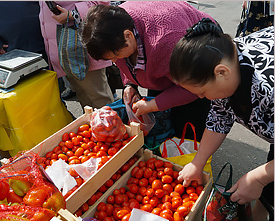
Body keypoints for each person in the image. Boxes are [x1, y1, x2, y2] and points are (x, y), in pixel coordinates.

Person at [170, 19, 274, 221]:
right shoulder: (227, 60)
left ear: (221, 72)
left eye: (202, 92)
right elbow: (219, 118)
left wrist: (258, 178)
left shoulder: (268, 87)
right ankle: (262, 216)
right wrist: (197, 163)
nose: (201, 98)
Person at [82, 1, 215, 141]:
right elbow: (125, 61)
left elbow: (193, 89)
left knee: (188, 125)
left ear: (128, 35)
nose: (115, 61)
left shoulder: (165, 42)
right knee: (163, 112)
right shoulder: (114, 26)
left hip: (198, 56)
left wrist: (152, 105)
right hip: (168, 59)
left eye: (115, 56)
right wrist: (130, 85)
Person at [39, 1, 114, 110]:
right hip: (65, 51)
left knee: (100, 101)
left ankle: (111, 126)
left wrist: (73, 14)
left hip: (82, 47)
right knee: (85, 100)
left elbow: (102, 2)